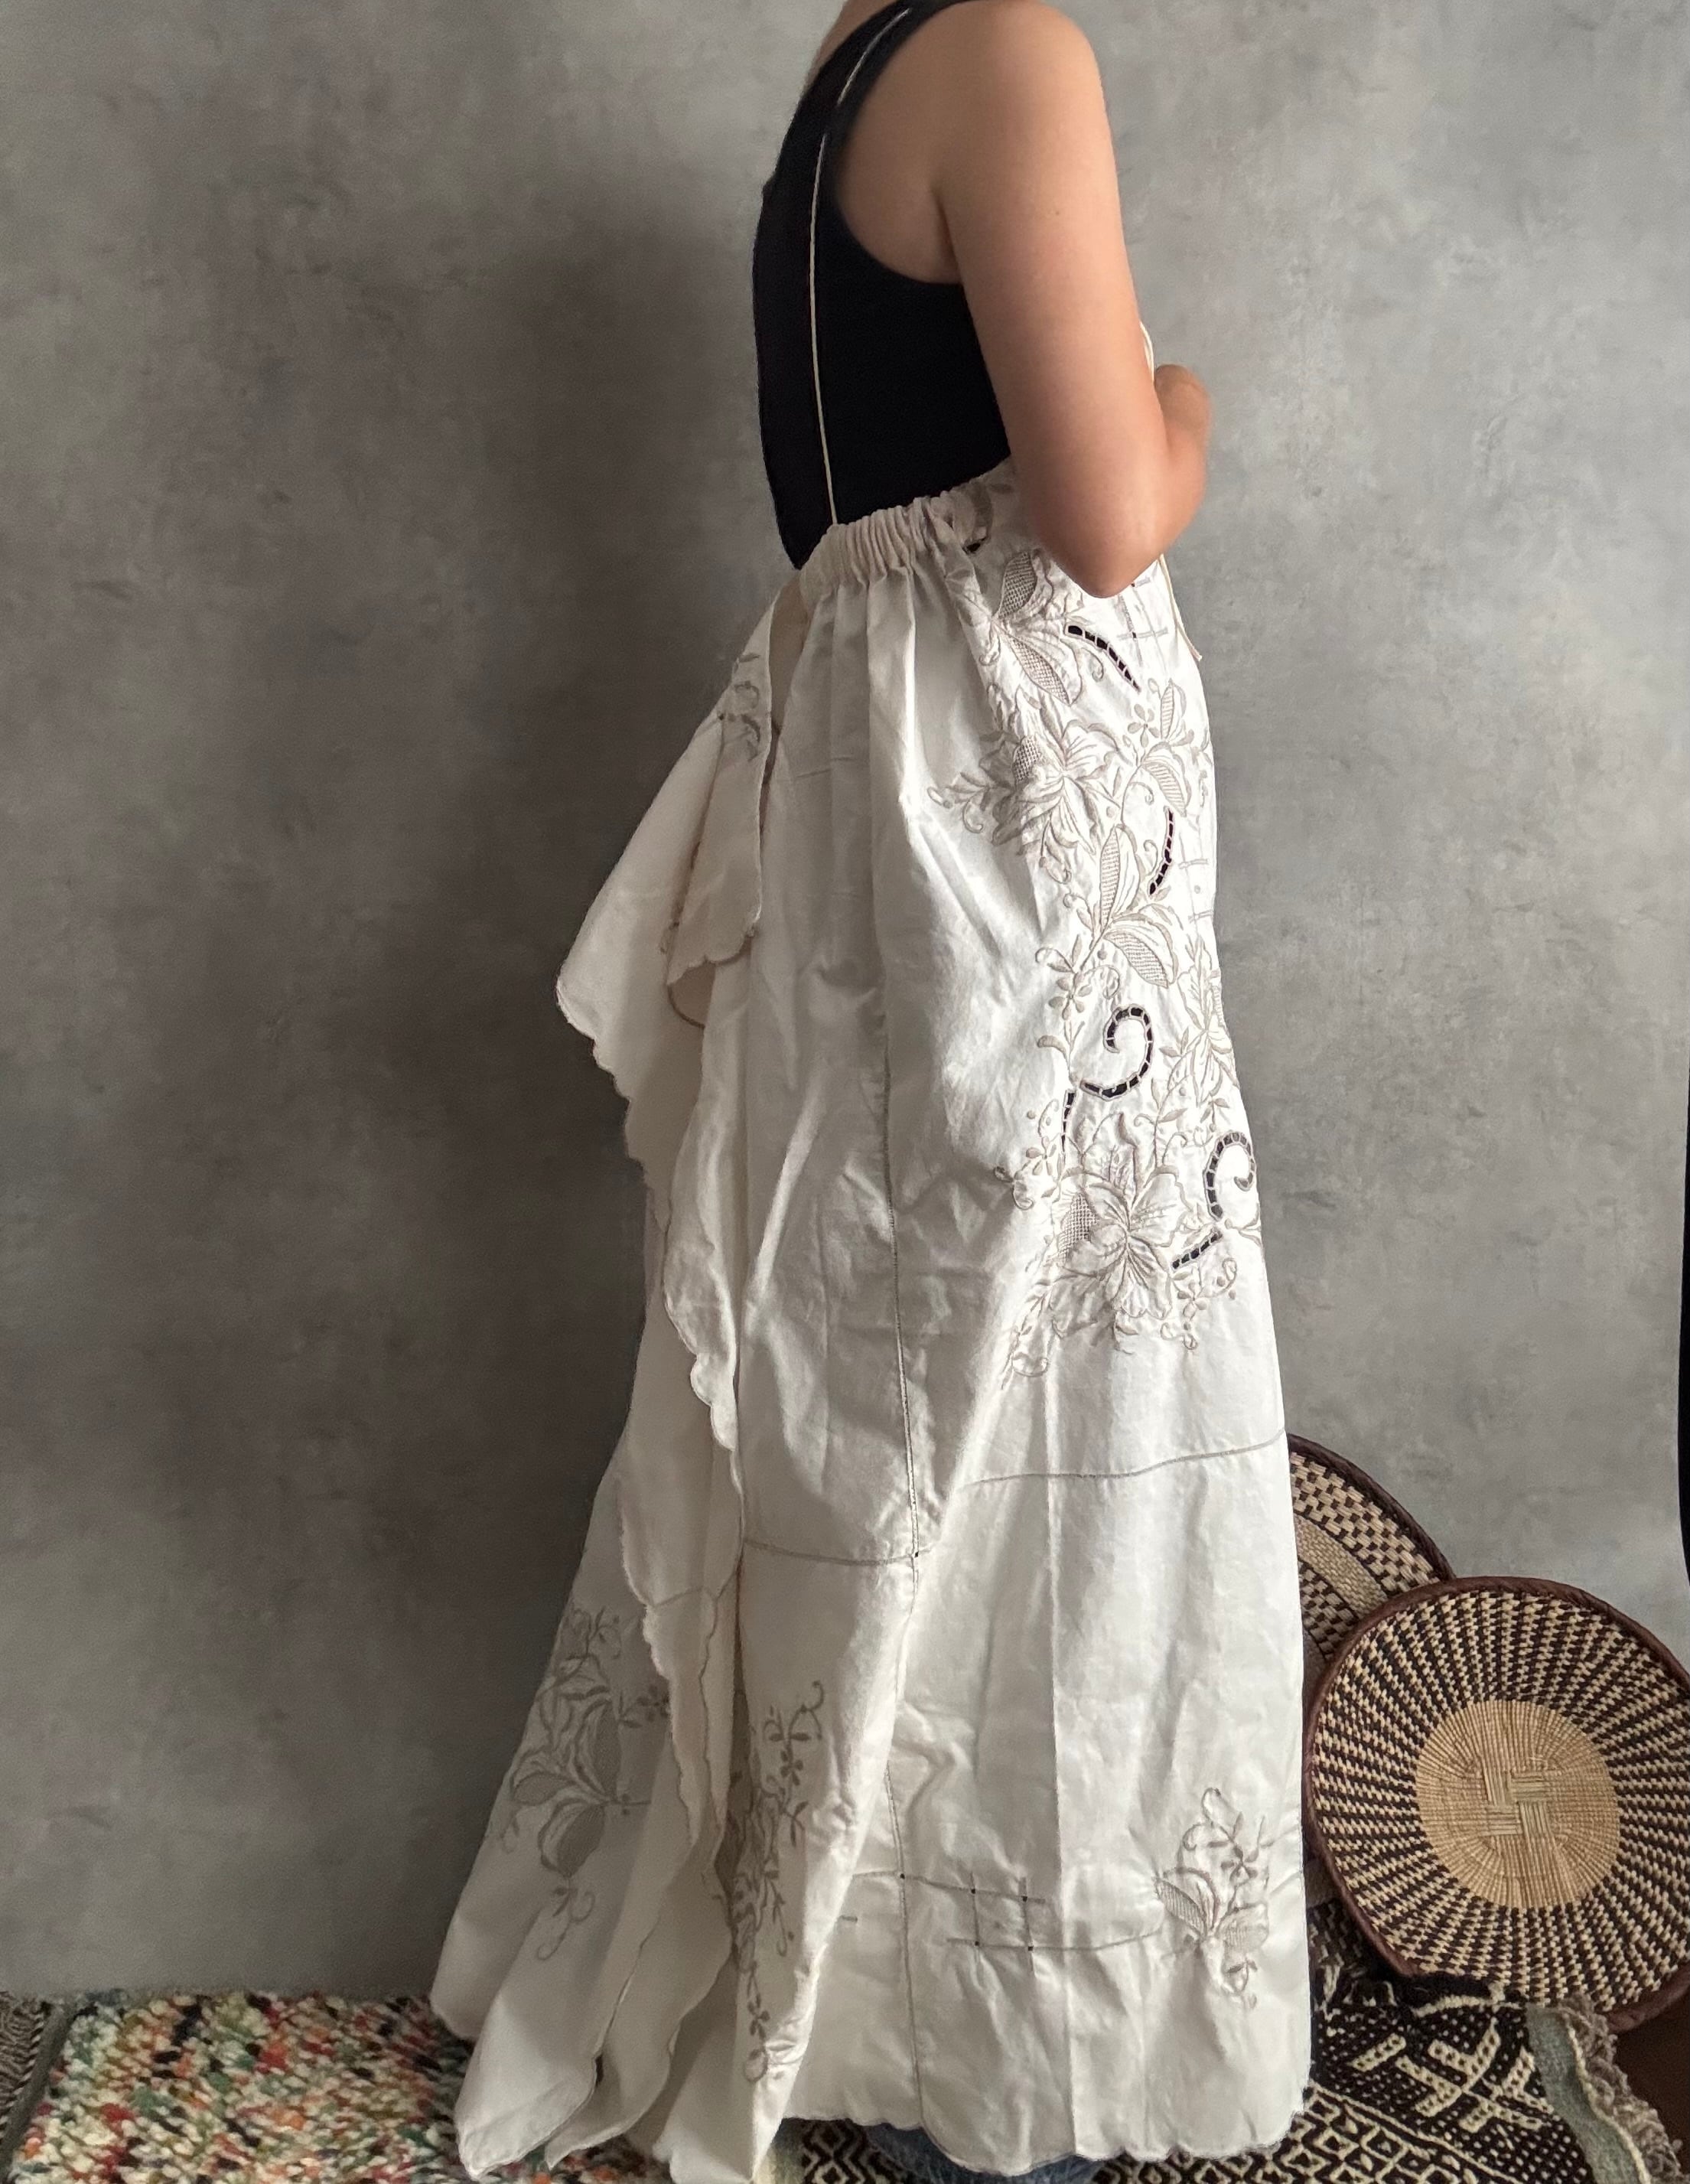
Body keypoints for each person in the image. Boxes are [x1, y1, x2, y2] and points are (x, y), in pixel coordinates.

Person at [429, 5, 1312, 2182]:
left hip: (885, 778)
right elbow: (1103, 515)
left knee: (898, 1362)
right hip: (1005, 796)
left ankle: (868, 2000)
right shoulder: (1006, 46)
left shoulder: (858, 48)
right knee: (1042, 1397)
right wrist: (1189, 398)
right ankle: (1002, 2069)